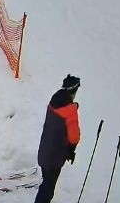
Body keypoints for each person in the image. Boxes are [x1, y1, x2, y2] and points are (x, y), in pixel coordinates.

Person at [35, 75, 82, 203]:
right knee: (47, 189)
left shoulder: (54, 101)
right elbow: (74, 136)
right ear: (74, 91)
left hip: (44, 151)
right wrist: (71, 150)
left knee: (46, 183)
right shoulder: (70, 111)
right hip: (54, 157)